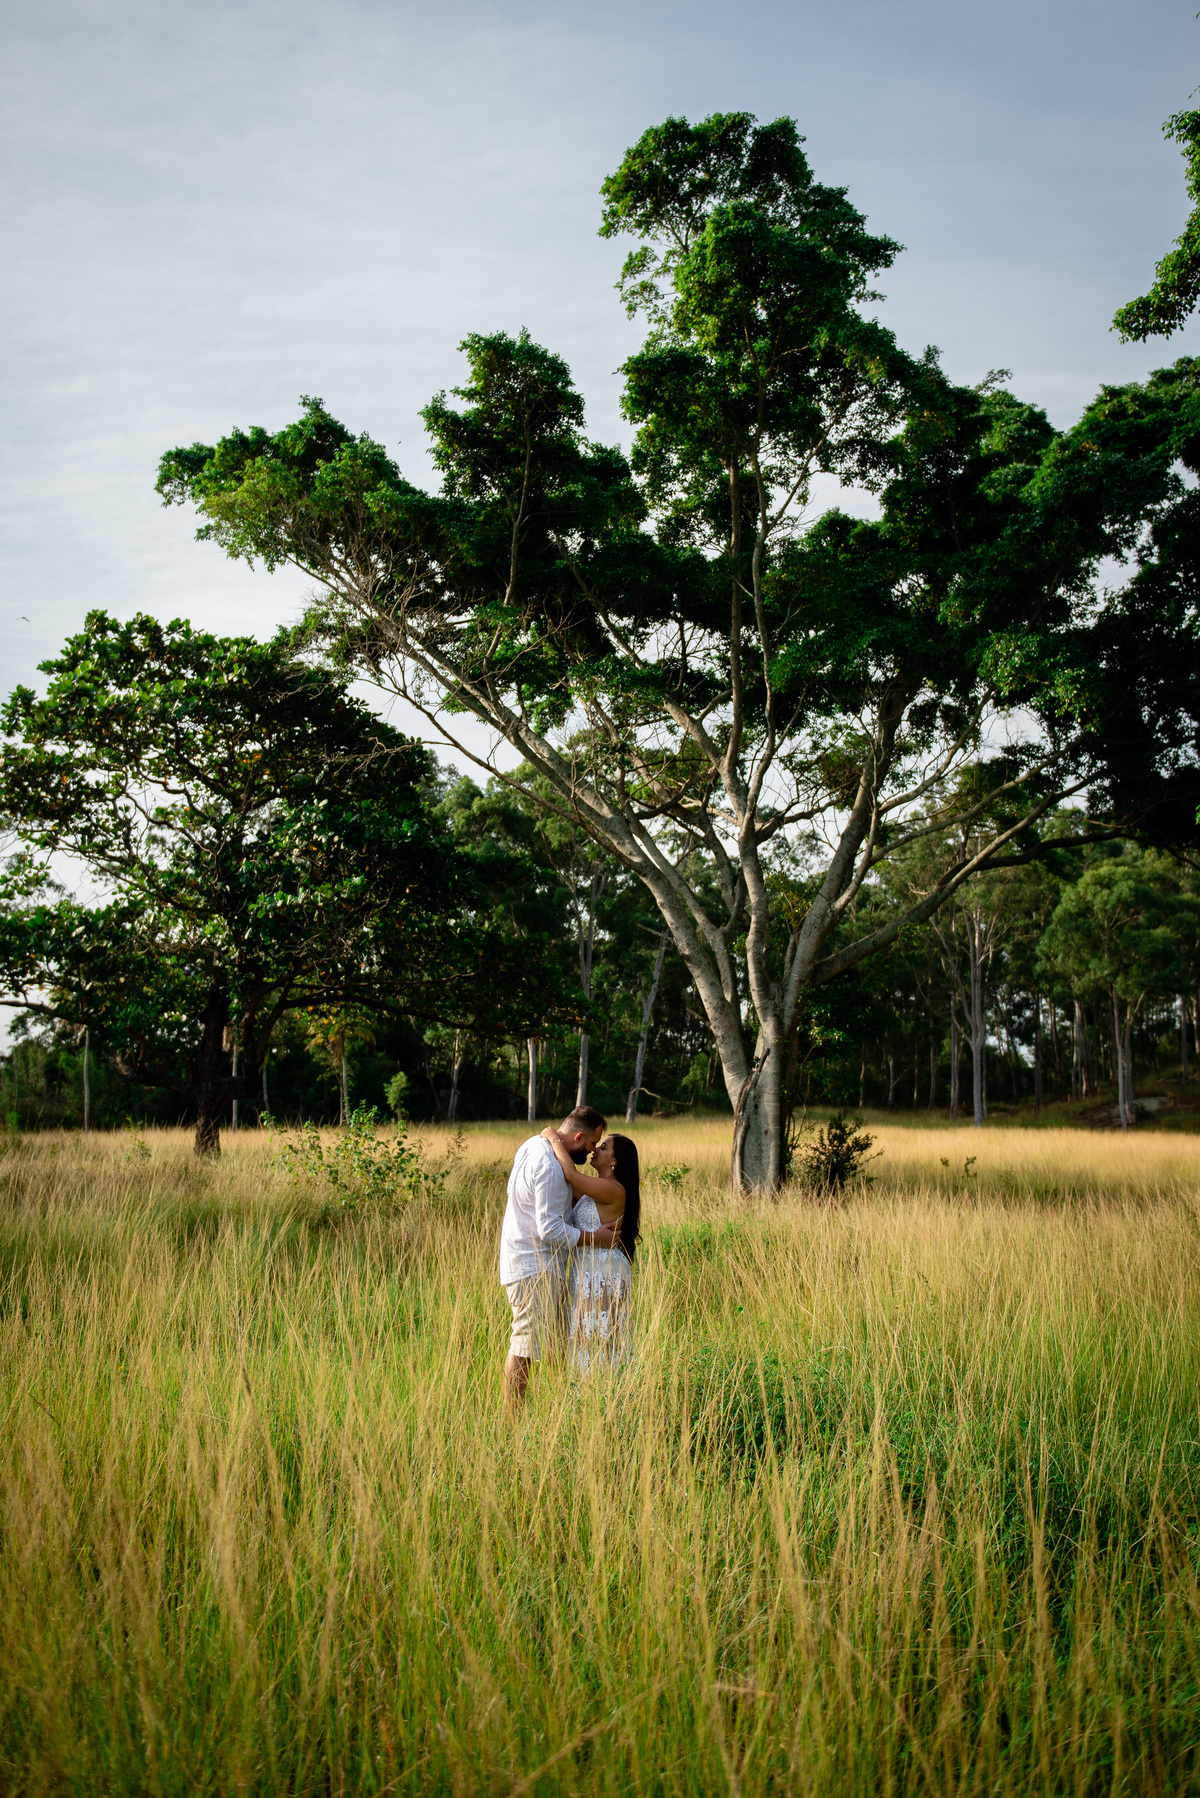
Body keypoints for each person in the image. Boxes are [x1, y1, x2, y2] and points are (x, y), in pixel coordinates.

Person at [499, 1105, 617, 1405]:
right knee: (524, 1345)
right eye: (591, 1144)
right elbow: (549, 1229)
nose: (591, 1151)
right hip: (534, 1265)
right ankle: (512, 1423)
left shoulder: (532, 1145)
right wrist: (595, 1239)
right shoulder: (551, 1167)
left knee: (549, 1343)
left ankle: (561, 1409)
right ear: (578, 1137)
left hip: (529, 1261)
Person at [541, 1127, 640, 1373]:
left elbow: (571, 1175)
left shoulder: (614, 1189)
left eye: (603, 1147)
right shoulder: (596, 1187)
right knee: (584, 1334)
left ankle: (609, 1394)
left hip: (603, 1270)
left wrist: (555, 1139)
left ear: (615, 1161)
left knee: (599, 1335)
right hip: (586, 1268)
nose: (595, 1149)